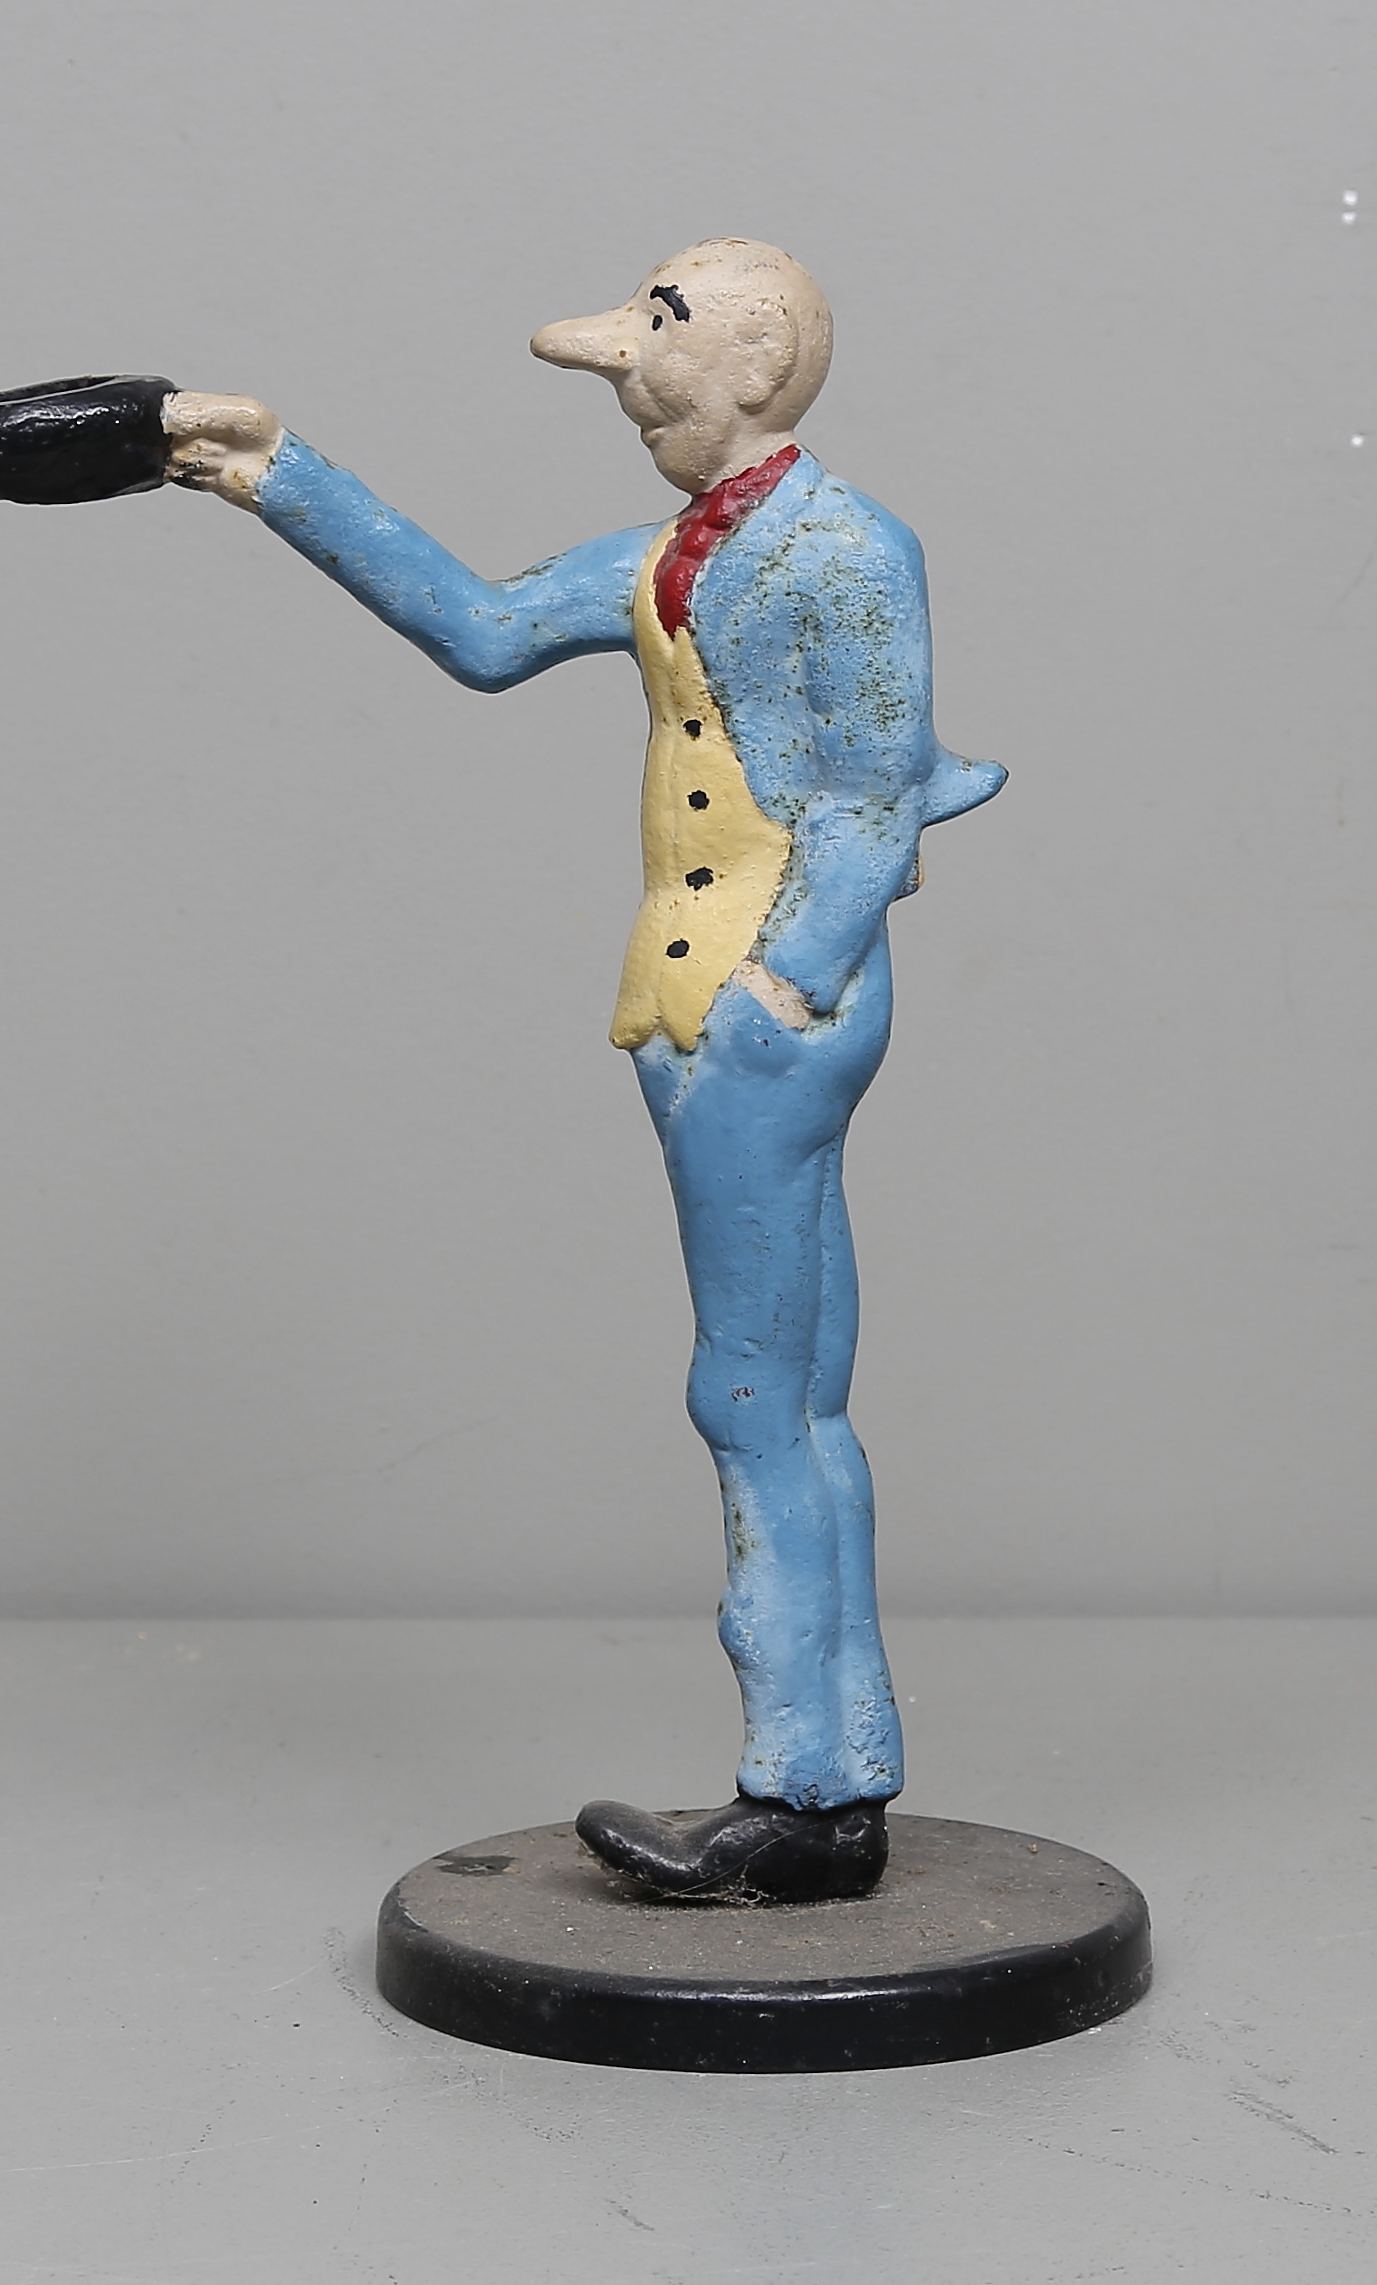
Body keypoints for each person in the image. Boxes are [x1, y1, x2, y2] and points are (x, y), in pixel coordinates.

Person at [165, 239, 1003, 1902]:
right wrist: (274, 471)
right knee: (798, 1400)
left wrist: (780, 982)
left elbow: (872, 792)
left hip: (757, 1012)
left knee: (750, 1395)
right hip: (702, 1001)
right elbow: (481, 626)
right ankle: (835, 1779)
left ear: (754, 367)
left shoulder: (848, 549)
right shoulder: (668, 558)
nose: (626, 379)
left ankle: (796, 1796)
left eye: (656, 343)